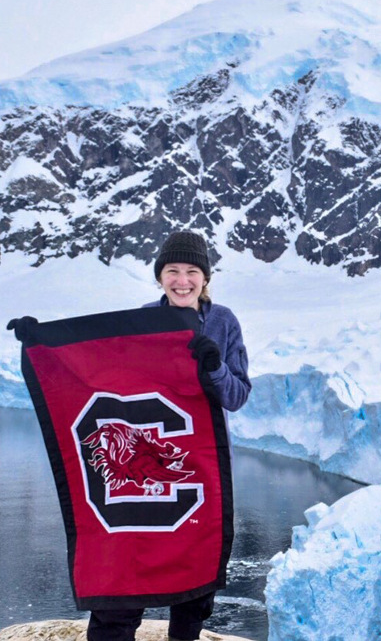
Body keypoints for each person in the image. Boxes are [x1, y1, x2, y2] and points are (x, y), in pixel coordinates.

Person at [87, 230, 251, 641]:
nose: (182, 280)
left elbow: (236, 396)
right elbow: (107, 381)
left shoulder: (224, 321)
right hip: (145, 470)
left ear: (205, 277)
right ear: (160, 276)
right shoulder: (142, 318)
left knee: (194, 570)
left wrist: (213, 365)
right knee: (129, 564)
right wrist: (44, 345)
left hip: (201, 467)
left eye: (192, 271)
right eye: (172, 271)